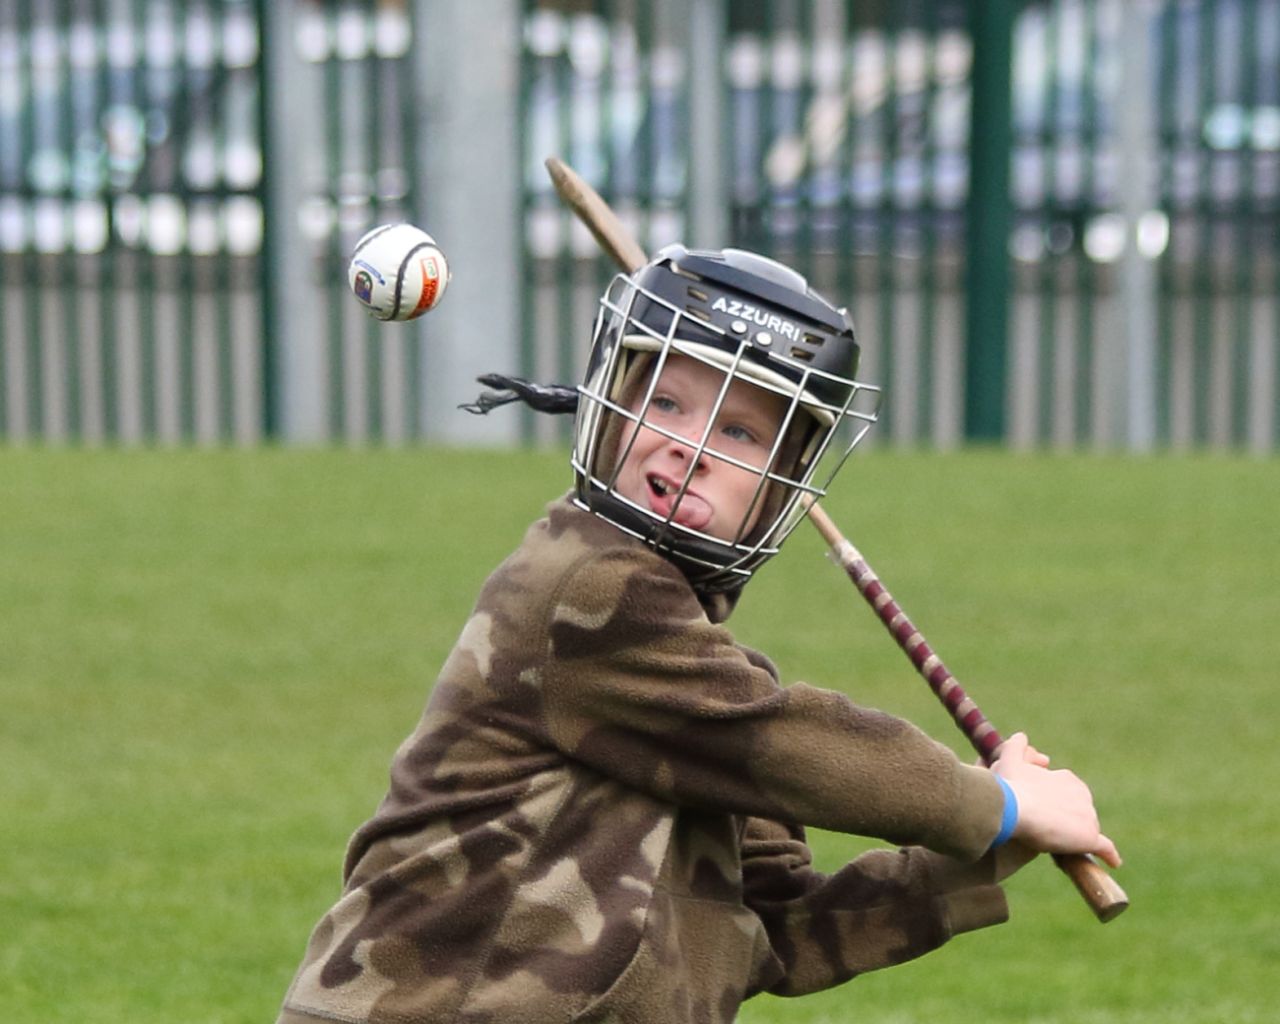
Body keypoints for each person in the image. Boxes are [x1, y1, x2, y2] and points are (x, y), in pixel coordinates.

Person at [276, 245, 1120, 1024]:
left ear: (783, 486)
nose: (689, 448)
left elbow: (781, 927)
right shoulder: (590, 587)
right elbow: (781, 740)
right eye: (667, 404)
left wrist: (992, 851)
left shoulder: (699, 682)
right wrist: (996, 804)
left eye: (739, 432)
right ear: (608, 413)